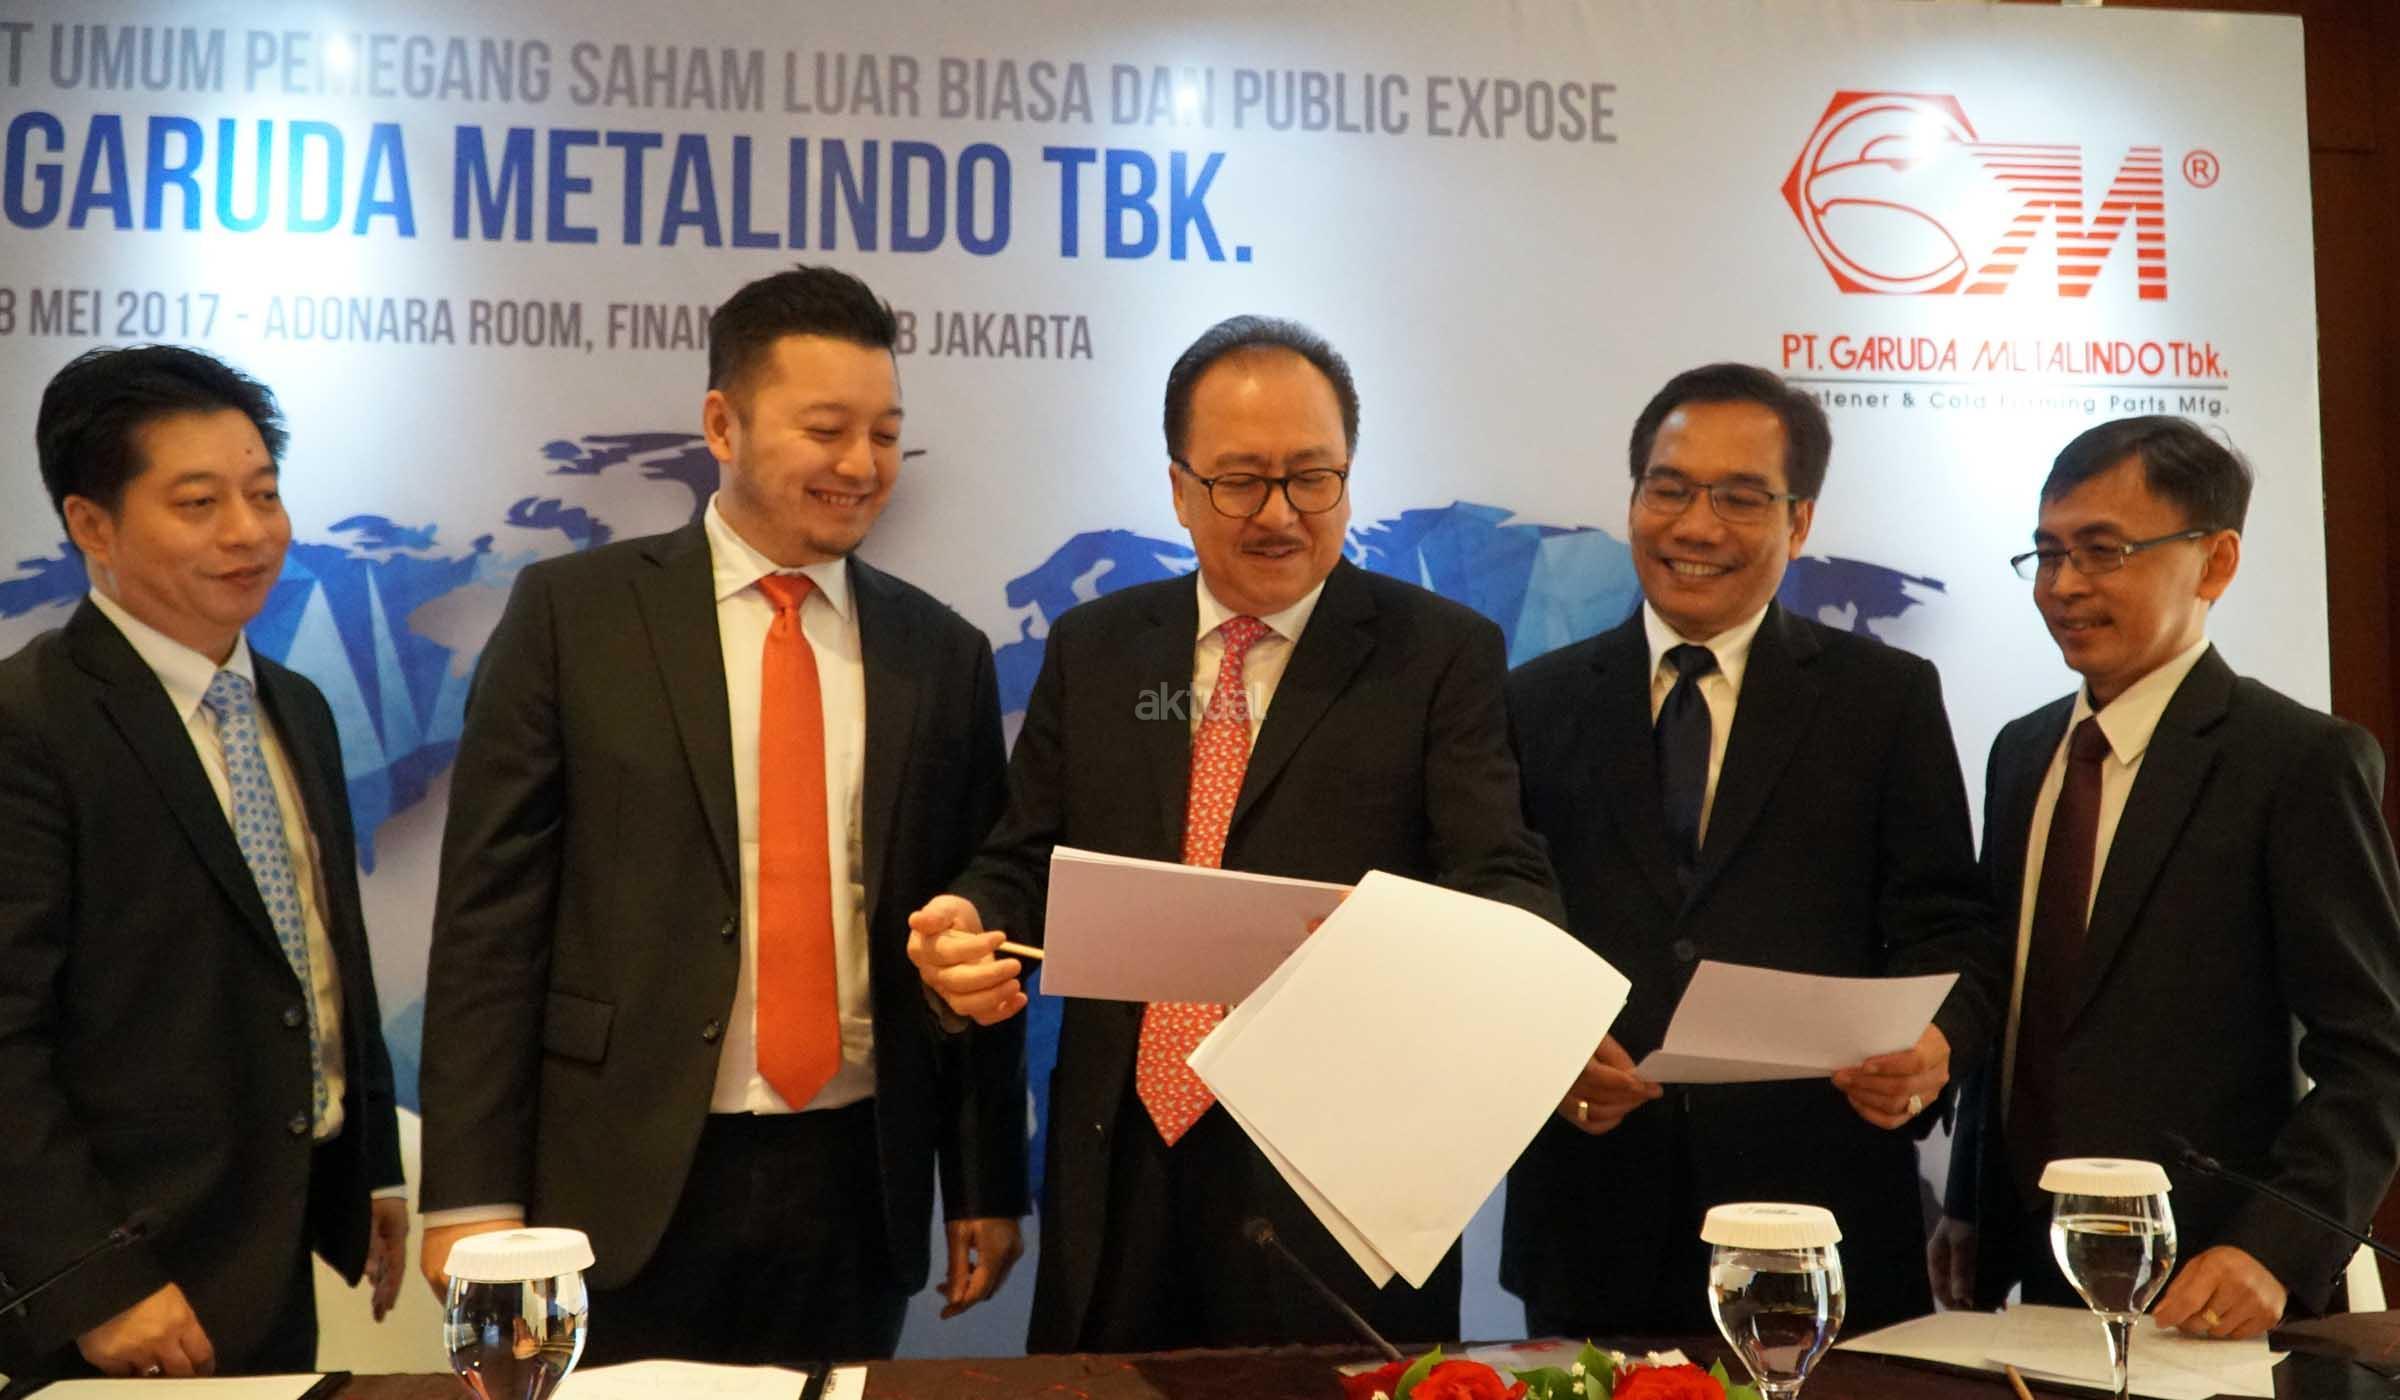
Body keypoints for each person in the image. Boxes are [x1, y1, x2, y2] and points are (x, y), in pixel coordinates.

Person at [906, 314, 1564, 1353]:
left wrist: (1446, 955)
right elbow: (1025, 859)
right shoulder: (1098, 649)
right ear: (1179, 488)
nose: (1280, 513)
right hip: (1117, 1165)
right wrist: (967, 918)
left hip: (1336, 1178)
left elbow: (1505, 880)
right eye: (1241, 481)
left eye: (1313, 477)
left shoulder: (1438, 655)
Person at [415, 265, 1026, 1365]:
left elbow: (973, 925)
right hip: (614, 1176)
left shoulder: (941, 654)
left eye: (886, 434)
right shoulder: (574, 617)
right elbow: (487, 927)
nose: (861, 464)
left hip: (856, 1184)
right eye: (826, 430)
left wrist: (983, 1182)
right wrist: (469, 1197)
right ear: (721, 425)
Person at [1501, 362, 2005, 1335]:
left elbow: (1953, 927)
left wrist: (1937, 1043)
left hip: (1819, 1216)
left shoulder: (1883, 698)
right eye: (1669, 488)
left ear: (1800, 520)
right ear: (1634, 499)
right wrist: (1542, 1055)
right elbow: (1496, 930)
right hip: (1591, 1216)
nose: (1696, 526)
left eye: (1739, 497)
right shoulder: (1534, 700)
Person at [1933, 416, 2400, 1338]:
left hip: (2208, 1279)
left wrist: (2276, 1246)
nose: (2065, 585)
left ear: (2215, 562)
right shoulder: (2022, 752)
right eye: (2047, 554)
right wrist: (1967, 1199)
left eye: (2103, 551)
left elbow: (2375, 1050)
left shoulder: (2296, 761)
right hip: (2027, 1267)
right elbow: (2017, 998)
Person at [0, 346, 407, 1379]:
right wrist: (90, 1278)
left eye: (263, 493)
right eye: (198, 502)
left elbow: (320, 956)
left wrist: (370, 1168)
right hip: (119, 1292)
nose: (249, 531)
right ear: (93, 525)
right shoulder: (29, 724)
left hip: (271, 1252)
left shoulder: (294, 707)